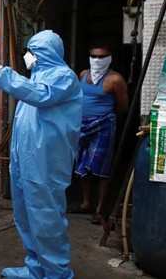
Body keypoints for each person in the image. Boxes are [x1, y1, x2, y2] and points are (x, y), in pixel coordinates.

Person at [0, 30, 82, 279]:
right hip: (25, 161)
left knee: (46, 218)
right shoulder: (35, 77)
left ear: (44, 52)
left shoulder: (63, 77)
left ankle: (57, 273)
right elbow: (29, 93)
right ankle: (35, 267)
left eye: (32, 51)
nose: (28, 56)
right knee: (25, 216)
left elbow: (40, 95)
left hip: (46, 164)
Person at [74, 44, 128, 224]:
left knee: (101, 166)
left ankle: (100, 208)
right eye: (94, 56)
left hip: (103, 125)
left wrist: (105, 116)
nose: (97, 60)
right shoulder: (83, 74)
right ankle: (86, 202)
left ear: (109, 58)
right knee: (82, 164)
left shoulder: (115, 79)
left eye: (102, 57)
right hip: (81, 124)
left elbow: (122, 106)